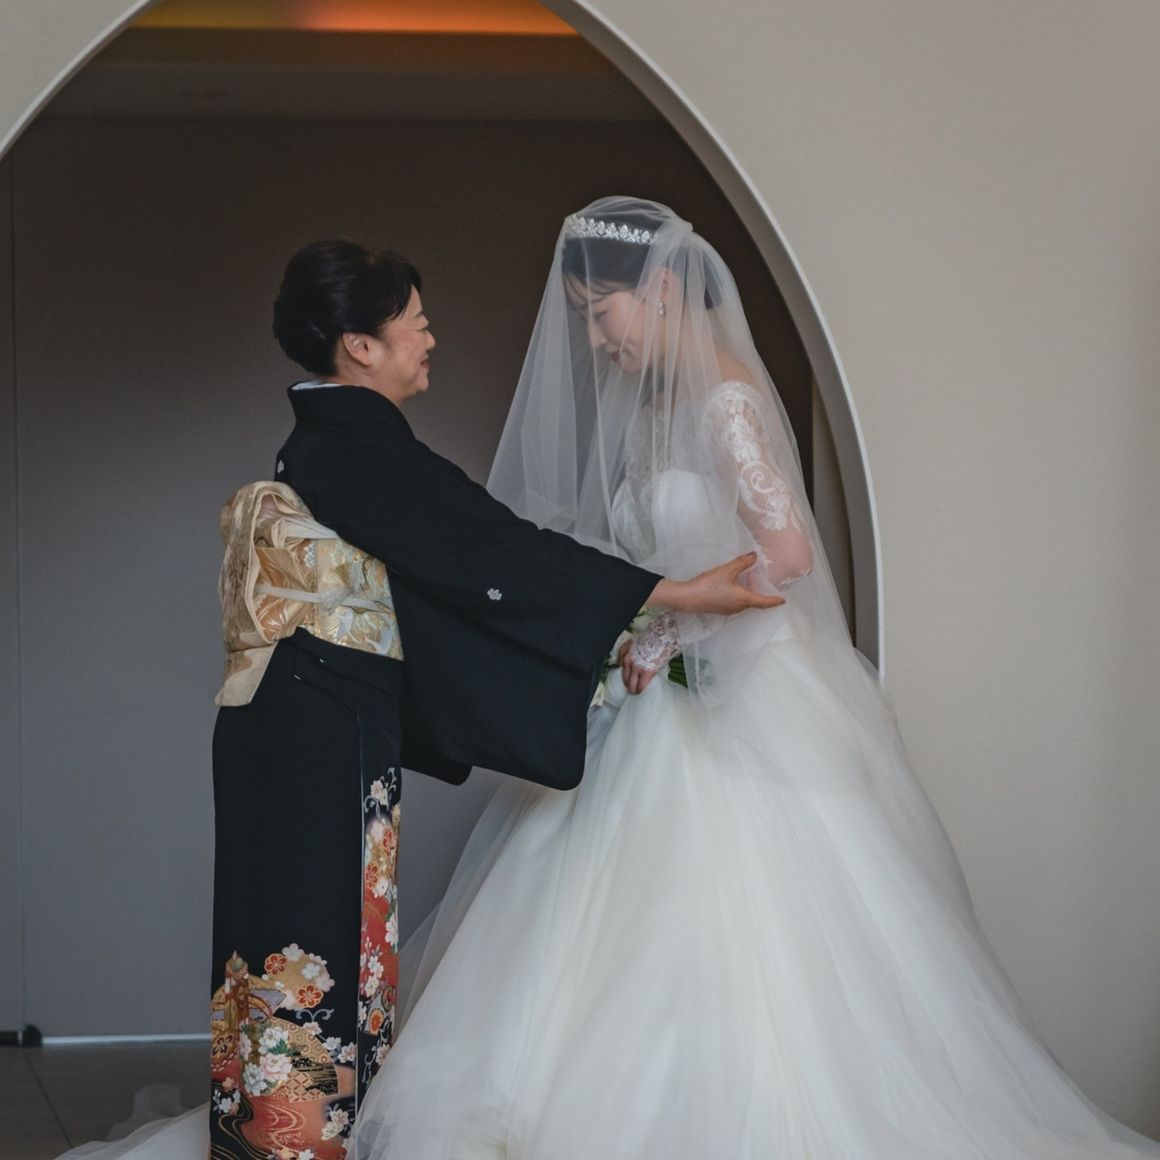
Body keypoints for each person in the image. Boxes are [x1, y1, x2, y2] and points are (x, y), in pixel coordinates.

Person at [344, 198, 1160, 1159]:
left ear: (659, 289)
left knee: (754, 924)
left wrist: (668, 633)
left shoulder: (725, 400)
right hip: (659, 699)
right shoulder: (654, 412)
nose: (596, 341)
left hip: (744, 698)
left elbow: (786, 555)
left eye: (600, 314)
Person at [56, 238, 780, 1160]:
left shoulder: (337, 437)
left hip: (303, 712)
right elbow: (492, 551)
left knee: (303, 927)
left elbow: (472, 555)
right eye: (416, 323)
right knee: (316, 926)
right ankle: (298, 1140)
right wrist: (669, 594)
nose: (430, 339)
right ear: (362, 345)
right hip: (318, 720)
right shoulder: (356, 442)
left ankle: (281, 1130)